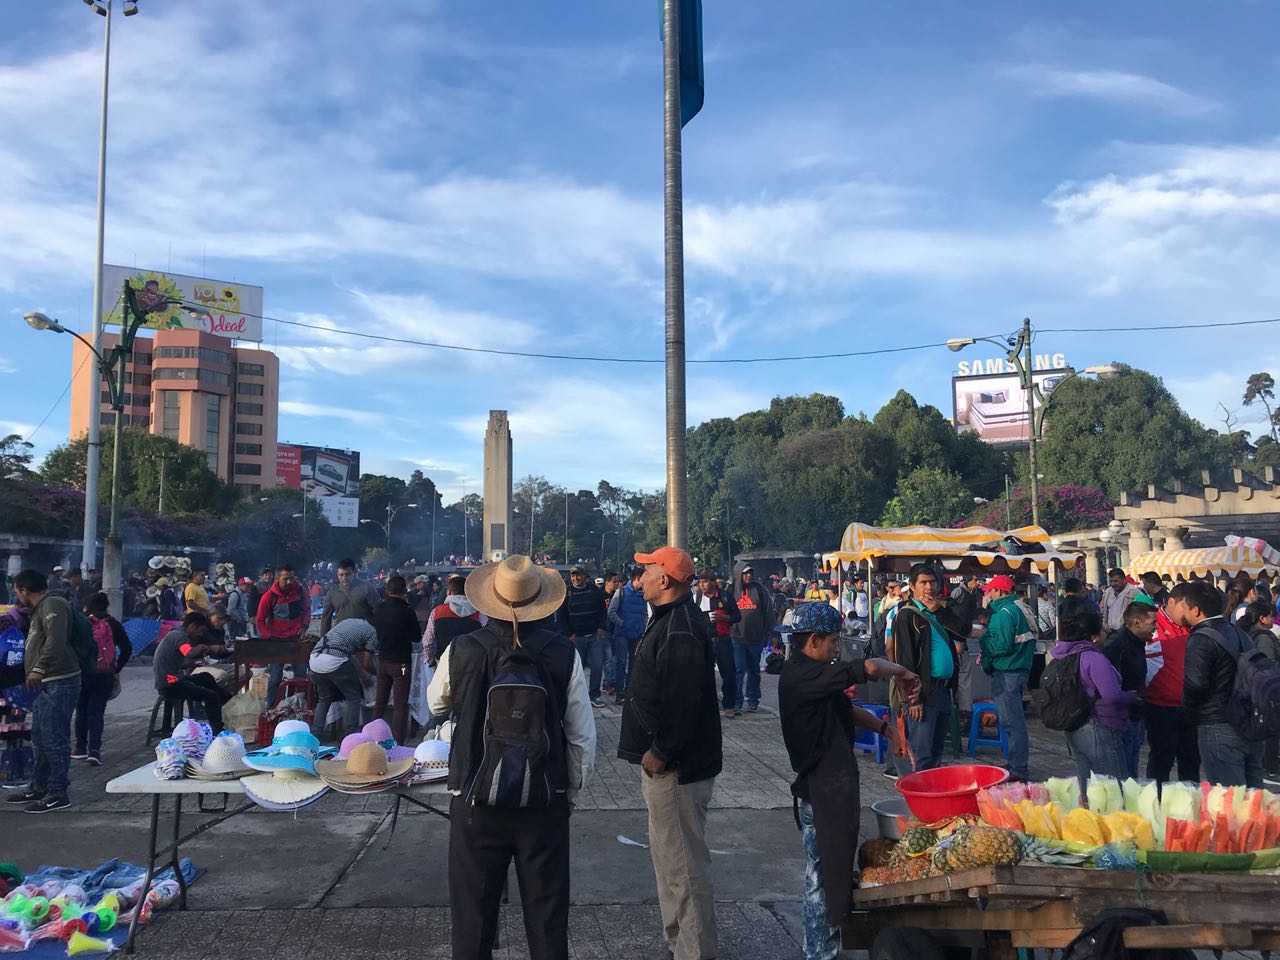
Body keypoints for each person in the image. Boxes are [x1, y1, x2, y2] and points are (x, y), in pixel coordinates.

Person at [427, 555, 595, 960]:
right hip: (543, 800)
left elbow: (434, 704)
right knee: (548, 918)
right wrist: (568, 793)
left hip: (474, 799)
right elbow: (582, 737)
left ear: (491, 599)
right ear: (543, 601)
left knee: (473, 920)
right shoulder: (562, 654)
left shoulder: (463, 648)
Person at [779, 602, 919, 960]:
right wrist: (904, 673)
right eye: (832, 642)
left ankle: (827, 945)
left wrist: (888, 730)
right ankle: (820, 953)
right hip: (821, 792)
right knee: (823, 879)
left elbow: (845, 709)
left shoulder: (814, 673)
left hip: (834, 788)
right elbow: (870, 667)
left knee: (830, 873)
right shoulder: (801, 675)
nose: (835, 649)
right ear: (813, 640)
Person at [620, 547, 721, 960]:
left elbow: (683, 699)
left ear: (665, 580)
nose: (639, 577)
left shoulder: (679, 626)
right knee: (669, 861)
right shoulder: (669, 619)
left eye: (646, 570)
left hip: (677, 768)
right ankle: (678, 943)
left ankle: (694, 952)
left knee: (684, 868)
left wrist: (661, 750)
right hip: (670, 765)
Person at [1171, 579, 1264, 789]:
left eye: (1183, 607)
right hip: (1249, 721)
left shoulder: (1201, 638)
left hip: (1218, 725)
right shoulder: (1236, 631)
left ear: (1195, 610)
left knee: (1228, 800)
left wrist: (1188, 711)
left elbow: (1195, 685)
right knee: (1254, 799)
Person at [6, 570, 82, 814]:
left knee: (54, 738)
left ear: (24, 589)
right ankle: (39, 786)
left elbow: (55, 641)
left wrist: (38, 668)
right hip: (45, 683)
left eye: (17, 591)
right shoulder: (40, 609)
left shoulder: (53, 605)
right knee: (39, 735)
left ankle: (58, 792)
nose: (17, 595)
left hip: (58, 681)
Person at [891, 563, 965, 776]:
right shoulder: (907, 615)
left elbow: (962, 632)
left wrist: (940, 612)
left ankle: (931, 802)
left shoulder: (938, 611)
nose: (928, 587)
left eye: (932, 582)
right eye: (923, 582)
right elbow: (905, 660)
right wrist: (914, 699)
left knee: (936, 753)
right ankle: (917, 803)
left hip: (943, 690)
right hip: (923, 692)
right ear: (912, 586)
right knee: (921, 756)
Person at [1049, 597, 1133, 784]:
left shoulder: (1062, 654)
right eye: (1102, 630)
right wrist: (1131, 697)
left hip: (1075, 725)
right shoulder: (1094, 659)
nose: (1105, 633)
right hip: (1099, 725)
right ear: (1094, 637)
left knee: (1088, 782)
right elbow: (1112, 696)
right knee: (1113, 786)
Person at [978, 575, 1035, 782]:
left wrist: (983, 640)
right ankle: (1016, 765)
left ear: (1000, 591)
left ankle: (1018, 769)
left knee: (1012, 723)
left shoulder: (1003, 613)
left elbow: (1001, 646)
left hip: (1007, 672)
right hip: (1018, 671)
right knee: (1014, 722)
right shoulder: (1021, 608)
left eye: (991, 591)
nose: (988, 595)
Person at [1143, 591, 1200, 783]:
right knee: (1161, 760)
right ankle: (1156, 802)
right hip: (1162, 707)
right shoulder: (1152, 624)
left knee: (1191, 761)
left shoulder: (1190, 626)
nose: (1188, 613)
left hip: (1189, 705)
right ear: (1172, 602)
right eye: (1185, 607)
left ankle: (1190, 802)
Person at [72, 591, 132, 764]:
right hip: (105, 674)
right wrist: (116, 667)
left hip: (82, 673)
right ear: (106, 606)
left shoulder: (82, 622)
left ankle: (80, 748)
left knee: (81, 710)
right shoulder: (113, 624)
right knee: (96, 712)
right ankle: (95, 750)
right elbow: (127, 649)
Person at [1103, 601, 1158, 778]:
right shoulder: (1117, 644)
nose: (1155, 628)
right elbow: (1109, 682)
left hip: (1136, 713)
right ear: (1137, 622)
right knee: (1124, 772)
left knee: (1132, 766)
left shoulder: (1138, 642)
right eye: (1152, 623)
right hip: (1122, 715)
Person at [152, 612, 231, 735]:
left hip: (175, 679)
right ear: (193, 626)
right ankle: (218, 731)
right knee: (211, 696)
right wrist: (206, 648)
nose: (200, 634)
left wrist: (193, 664)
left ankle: (228, 701)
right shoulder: (179, 636)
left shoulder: (176, 634)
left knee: (206, 677)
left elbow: (182, 661)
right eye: (200, 631)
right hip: (171, 684)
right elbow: (189, 653)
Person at [309, 617, 379, 740]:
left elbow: (349, 657)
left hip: (315, 659)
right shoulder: (373, 633)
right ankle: (350, 736)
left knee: (324, 699)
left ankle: (315, 735)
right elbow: (367, 663)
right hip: (334, 660)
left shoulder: (347, 623)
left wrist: (362, 676)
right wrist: (378, 676)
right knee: (353, 697)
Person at [254, 565, 311, 708]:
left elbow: (307, 610)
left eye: (292, 578)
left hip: (296, 640)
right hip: (277, 642)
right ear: (278, 578)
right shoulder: (269, 596)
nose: (289, 582)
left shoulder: (300, 591)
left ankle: (297, 708)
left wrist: (304, 626)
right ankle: (272, 709)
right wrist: (267, 637)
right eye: (286, 579)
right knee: (275, 679)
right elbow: (260, 620)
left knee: (300, 677)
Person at [372, 575, 419, 743]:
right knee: (400, 704)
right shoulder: (407, 611)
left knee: (380, 703)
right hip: (402, 664)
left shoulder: (378, 609)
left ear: (387, 591)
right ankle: (398, 742)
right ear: (405, 591)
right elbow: (416, 637)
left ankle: (372, 738)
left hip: (382, 661)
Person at [557, 565, 607, 708]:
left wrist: (601, 627)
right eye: (573, 575)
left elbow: (602, 610)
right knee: (575, 669)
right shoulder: (567, 593)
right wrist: (569, 634)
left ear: (585, 576)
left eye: (578, 575)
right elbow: (561, 617)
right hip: (575, 637)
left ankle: (594, 695)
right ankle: (575, 697)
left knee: (597, 666)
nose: (576, 578)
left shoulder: (594, 590)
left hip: (593, 636)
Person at [1239, 600, 1279, 778]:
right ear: (1262, 618)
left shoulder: (1250, 634)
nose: (1274, 618)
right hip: (1265, 690)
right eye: (1271, 615)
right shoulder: (1263, 637)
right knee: (1270, 728)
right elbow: (1268, 665)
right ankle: (1271, 767)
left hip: (1255, 690)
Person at [693, 570, 741, 719]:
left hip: (723, 640)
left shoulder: (725, 596)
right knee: (704, 674)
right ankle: (706, 704)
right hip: (704, 641)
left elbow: (737, 616)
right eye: (700, 582)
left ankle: (729, 705)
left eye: (705, 581)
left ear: (713, 582)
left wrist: (724, 617)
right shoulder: (697, 598)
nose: (702, 585)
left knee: (728, 674)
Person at [731, 565, 774, 713]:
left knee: (754, 671)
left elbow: (768, 612)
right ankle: (736, 701)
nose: (748, 576)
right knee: (738, 669)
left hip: (756, 637)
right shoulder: (731, 591)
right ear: (739, 574)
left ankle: (753, 700)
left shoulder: (759, 590)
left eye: (750, 573)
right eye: (745, 573)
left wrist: (768, 633)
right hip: (736, 637)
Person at [606, 567, 649, 704]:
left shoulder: (644, 595)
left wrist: (643, 626)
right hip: (622, 634)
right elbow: (611, 612)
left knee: (634, 663)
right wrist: (622, 623)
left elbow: (645, 614)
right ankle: (620, 692)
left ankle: (631, 691)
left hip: (637, 634)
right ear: (637, 579)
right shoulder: (621, 592)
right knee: (621, 662)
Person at [423, 573, 485, 666]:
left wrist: (430, 659)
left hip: (444, 662)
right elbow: (487, 636)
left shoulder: (437, 612)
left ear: (449, 592)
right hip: (472, 663)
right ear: (467, 591)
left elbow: (428, 641)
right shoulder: (479, 614)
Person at [320, 558, 379, 635]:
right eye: (341, 575)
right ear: (337, 574)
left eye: (347, 574)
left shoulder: (367, 588)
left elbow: (378, 611)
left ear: (354, 572)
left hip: (364, 635)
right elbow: (326, 619)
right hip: (341, 636)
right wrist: (323, 640)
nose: (344, 578)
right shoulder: (332, 593)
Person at [1099, 568, 1140, 635]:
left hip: (1128, 633)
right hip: (1110, 632)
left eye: (1116, 581)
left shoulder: (1134, 592)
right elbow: (1103, 611)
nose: (1113, 584)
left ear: (1124, 580)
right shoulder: (1107, 593)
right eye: (1111, 581)